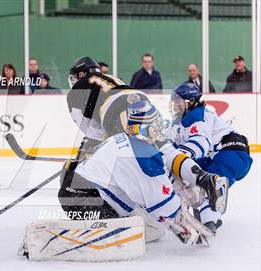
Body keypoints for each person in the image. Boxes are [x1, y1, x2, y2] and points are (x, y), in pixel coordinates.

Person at [65, 56, 227, 216]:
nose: (73, 82)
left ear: (81, 74)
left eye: (74, 77)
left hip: (120, 112)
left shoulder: (78, 89)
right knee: (164, 151)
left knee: (140, 161)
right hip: (143, 104)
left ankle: (174, 202)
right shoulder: (110, 78)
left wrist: (82, 157)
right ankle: (207, 181)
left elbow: (93, 134)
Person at [58, 100, 215, 245]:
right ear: (147, 128)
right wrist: (186, 224)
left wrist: (188, 179)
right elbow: (163, 206)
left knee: (149, 225)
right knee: (142, 231)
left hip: (73, 187)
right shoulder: (143, 156)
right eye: (157, 125)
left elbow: (165, 162)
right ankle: (79, 235)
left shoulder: (125, 139)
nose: (160, 130)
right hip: (87, 200)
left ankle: (87, 226)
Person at [169, 82, 253, 232]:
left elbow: (201, 142)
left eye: (178, 102)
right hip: (220, 155)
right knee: (191, 173)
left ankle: (209, 222)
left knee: (212, 184)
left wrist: (179, 156)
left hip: (233, 154)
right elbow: (173, 145)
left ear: (190, 102)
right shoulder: (183, 119)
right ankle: (201, 211)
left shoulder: (198, 116)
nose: (175, 105)